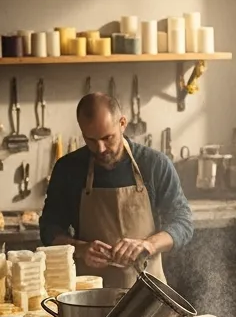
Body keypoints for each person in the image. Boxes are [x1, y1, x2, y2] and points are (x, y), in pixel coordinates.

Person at [40, 93, 193, 287]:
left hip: (148, 294)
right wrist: (80, 249)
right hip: (89, 295)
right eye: (91, 140)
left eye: (107, 138)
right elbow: (49, 229)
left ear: (122, 123)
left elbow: (183, 222)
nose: (101, 148)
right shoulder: (68, 169)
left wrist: (148, 244)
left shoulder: (154, 164)